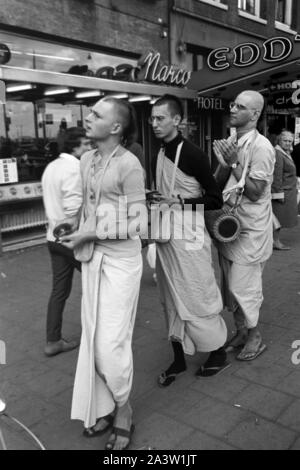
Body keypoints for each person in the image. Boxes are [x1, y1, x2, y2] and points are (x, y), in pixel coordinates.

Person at [60, 98, 147, 451]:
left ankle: (124, 408)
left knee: (110, 345)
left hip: (122, 264)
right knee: (94, 340)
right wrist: (72, 224)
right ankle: (107, 405)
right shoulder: (86, 160)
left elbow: (139, 222)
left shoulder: (130, 165)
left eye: (97, 114)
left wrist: (90, 233)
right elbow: (86, 205)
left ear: (116, 128)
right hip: (92, 258)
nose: (88, 117)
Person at [149, 94, 229, 386]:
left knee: (197, 295)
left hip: (190, 238)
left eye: (160, 118)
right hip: (167, 239)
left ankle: (218, 353)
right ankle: (179, 358)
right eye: (152, 118)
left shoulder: (192, 153)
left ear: (177, 120)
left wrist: (179, 200)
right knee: (169, 298)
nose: (154, 123)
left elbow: (214, 199)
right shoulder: (160, 151)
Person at [213, 90, 275, 361]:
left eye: (241, 107)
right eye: (233, 105)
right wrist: (223, 165)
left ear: (255, 114)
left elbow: (255, 192)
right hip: (229, 227)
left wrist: (234, 161)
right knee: (230, 284)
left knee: (244, 285)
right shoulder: (231, 139)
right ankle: (240, 330)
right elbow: (220, 180)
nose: (233, 109)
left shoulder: (262, 147)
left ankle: (255, 336)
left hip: (250, 229)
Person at [42, 127, 91, 357]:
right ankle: (99, 335)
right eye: (86, 144)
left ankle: (53, 341)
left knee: (59, 291)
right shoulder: (74, 168)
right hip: (71, 240)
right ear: (75, 146)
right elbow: (73, 210)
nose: (89, 148)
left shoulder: (51, 166)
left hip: (53, 237)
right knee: (98, 282)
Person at [272, 130, 298, 250]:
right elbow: (277, 176)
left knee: (279, 218)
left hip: (288, 190)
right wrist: (278, 194)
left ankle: (274, 241)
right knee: (278, 218)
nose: (288, 143)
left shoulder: (285, 152)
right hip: (283, 192)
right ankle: (275, 242)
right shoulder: (278, 153)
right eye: (285, 140)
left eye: (290, 141)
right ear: (279, 140)